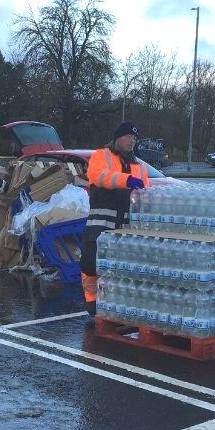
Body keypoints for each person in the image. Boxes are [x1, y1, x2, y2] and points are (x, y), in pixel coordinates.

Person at [81, 122, 150, 322]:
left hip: (126, 226)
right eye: (128, 136)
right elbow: (98, 176)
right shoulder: (101, 155)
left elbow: (146, 193)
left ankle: (117, 305)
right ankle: (92, 301)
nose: (132, 141)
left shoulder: (140, 165)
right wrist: (126, 180)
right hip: (101, 223)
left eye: (135, 138)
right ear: (118, 138)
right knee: (90, 263)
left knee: (121, 269)